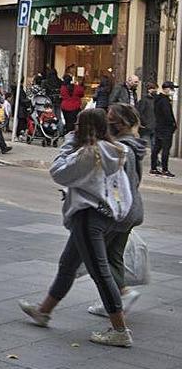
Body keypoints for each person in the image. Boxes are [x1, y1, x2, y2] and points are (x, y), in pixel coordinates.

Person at [19, 109, 134, 348]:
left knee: (100, 273)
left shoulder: (90, 153)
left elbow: (59, 172)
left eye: (78, 124)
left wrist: (70, 141)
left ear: (86, 127)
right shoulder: (116, 150)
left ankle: (120, 330)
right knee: (68, 264)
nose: (74, 126)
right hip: (106, 214)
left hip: (88, 215)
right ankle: (44, 311)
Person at [86, 103, 146, 318]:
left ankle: (118, 298)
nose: (106, 121)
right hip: (130, 211)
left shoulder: (122, 149)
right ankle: (118, 297)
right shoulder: (132, 146)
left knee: (97, 260)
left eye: (109, 117)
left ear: (119, 124)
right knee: (113, 257)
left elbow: (116, 183)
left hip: (118, 212)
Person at [151, 81, 177, 177]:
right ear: (166, 89)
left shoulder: (158, 99)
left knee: (157, 148)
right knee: (166, 149)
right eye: (172, 89)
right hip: (166, 128)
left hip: (159, 127)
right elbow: (168, 115)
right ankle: (164, 170)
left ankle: (153, 168)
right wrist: (173, 124)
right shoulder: (164, 100)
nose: (173, 91)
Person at [136, 82, 157, 151]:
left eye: (155, 89)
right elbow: (140, 112)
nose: (155, 91)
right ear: (149, 90)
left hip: (154, 127)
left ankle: (155, 161)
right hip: (146, 128)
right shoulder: (144, 100)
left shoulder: (156, 100)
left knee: (154, 146)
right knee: (144, 147)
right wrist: (144, 123)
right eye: (153, 89)